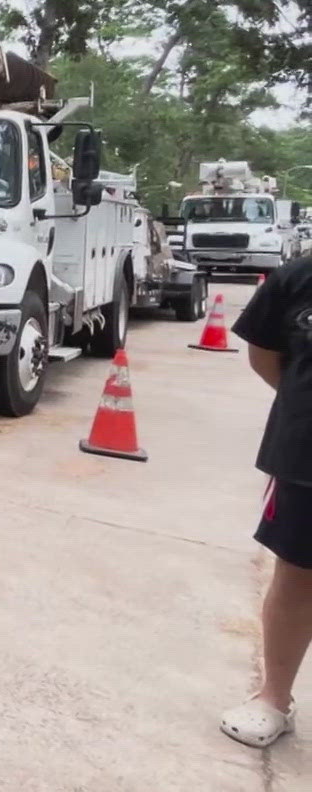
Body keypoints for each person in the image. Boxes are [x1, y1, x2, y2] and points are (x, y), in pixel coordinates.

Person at [221, 266, 312, 747]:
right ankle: (274, 698)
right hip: (306, 456)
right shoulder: (299, 278)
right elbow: (265, 355)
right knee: (297, 574)